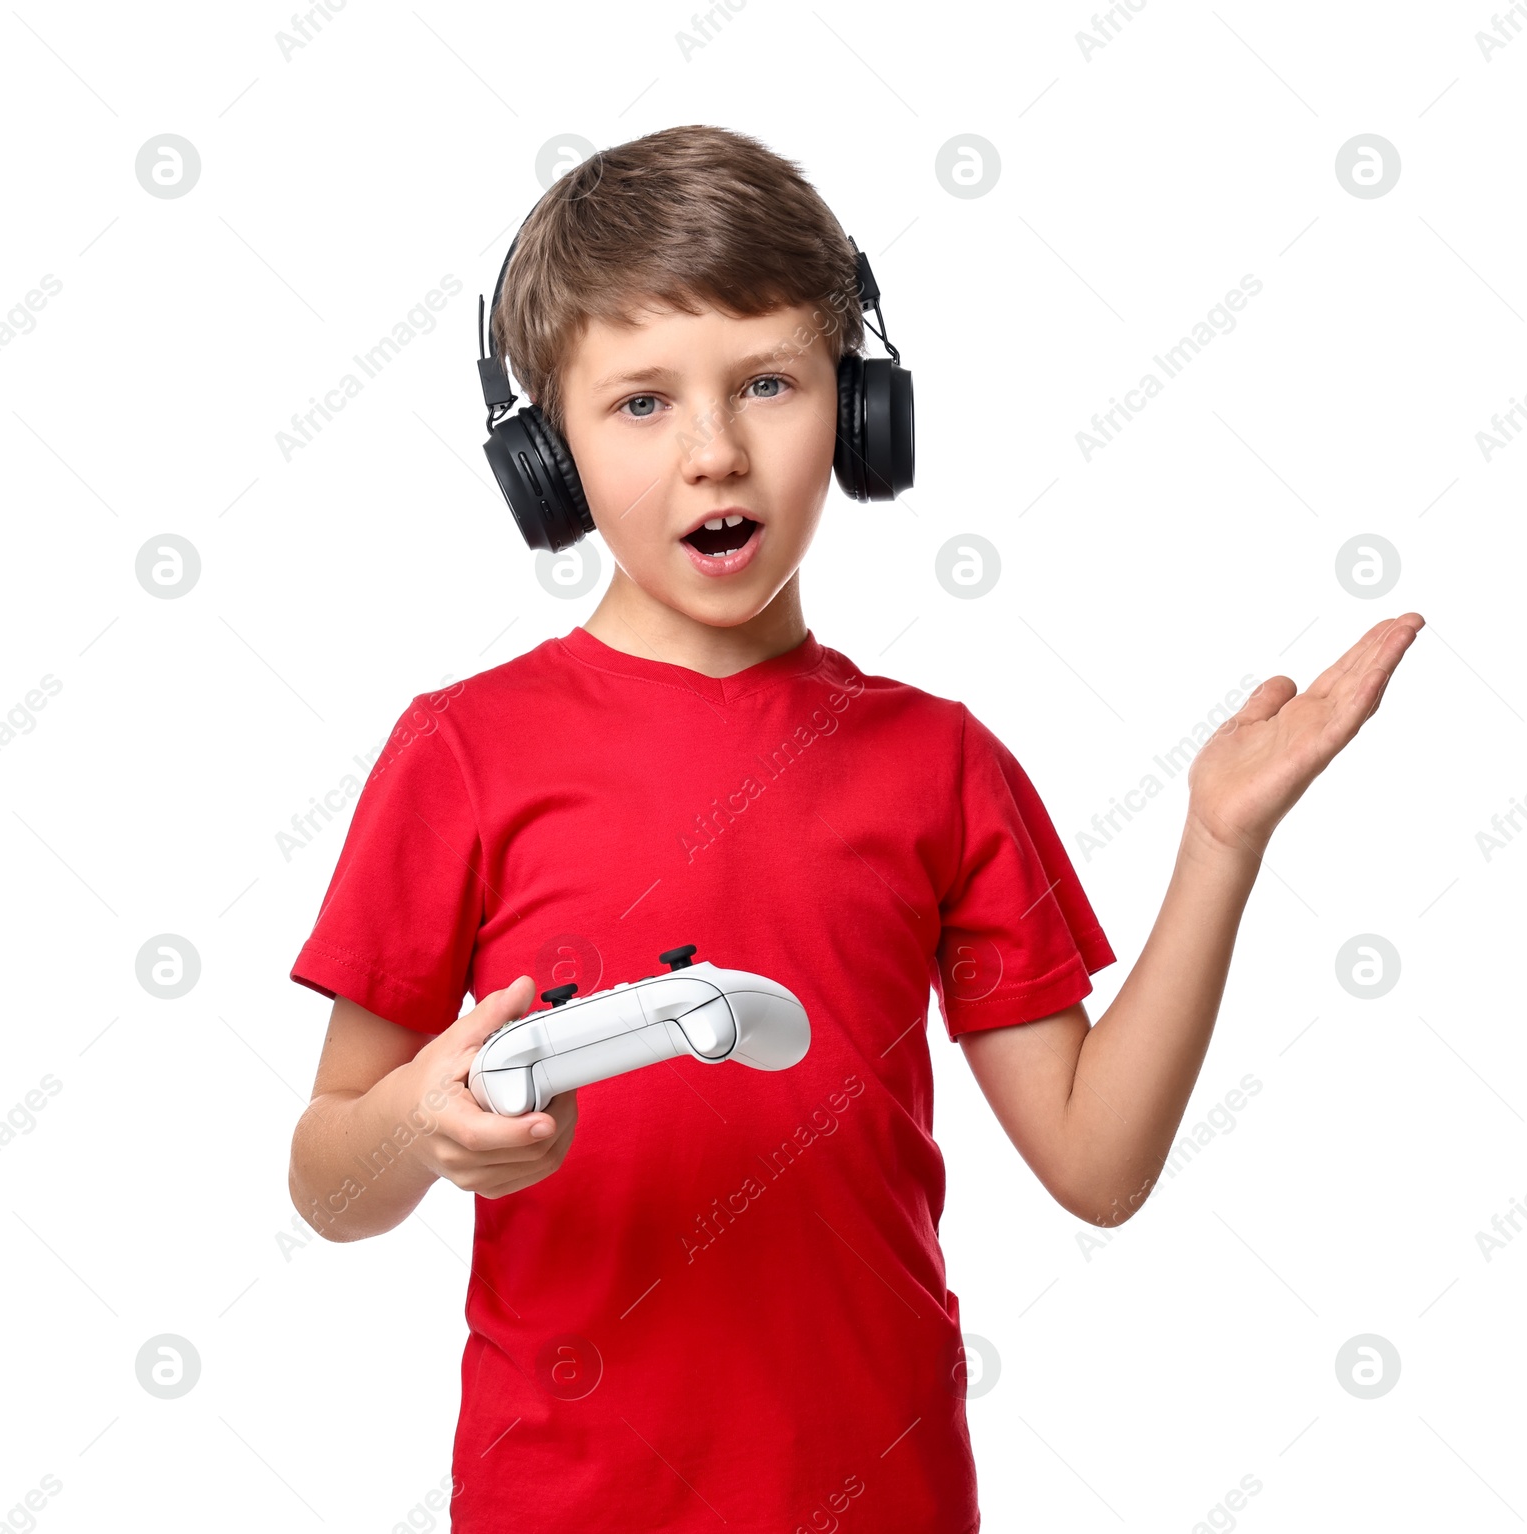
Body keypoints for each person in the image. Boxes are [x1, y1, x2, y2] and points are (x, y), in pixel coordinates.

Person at [285, 123, 1422, 1533]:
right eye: (641, 402)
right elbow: (332, 1182)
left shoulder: (939, 763)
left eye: (768, 382)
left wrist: (1220, 841)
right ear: (549, 454)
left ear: (860, 411)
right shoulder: (460, 751)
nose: (715, 453)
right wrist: (422, 1122)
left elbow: (1099, 1162)